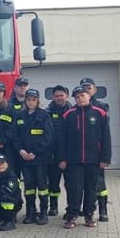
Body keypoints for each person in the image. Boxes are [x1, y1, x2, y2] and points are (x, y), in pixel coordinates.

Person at [57, 85, 111, 229]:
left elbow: (106, 137)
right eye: (77, 97)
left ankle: (89, 215)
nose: (80, 99)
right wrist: (61, 158)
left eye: (83, 96)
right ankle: (71, 215)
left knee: (91, 189)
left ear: (89, 96)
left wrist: (105, 159)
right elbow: (62, 139)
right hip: (73, 161)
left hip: (93, 160)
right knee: (74, 189)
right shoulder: (69, 115)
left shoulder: (100, 113)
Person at [14, 88, 53, 225]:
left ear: (38, 101)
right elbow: (15, 136)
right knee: (29, 187)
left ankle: (43, 213)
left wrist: (35, 152)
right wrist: (20, 151)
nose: (31, 102)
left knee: (42, 187)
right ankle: (30, 212)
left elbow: (48, 137)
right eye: (29, 99)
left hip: (40, 158)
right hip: (24, 159)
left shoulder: (44, 115)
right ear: (25, 100)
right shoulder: (19, 115)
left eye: (33, 100)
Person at [81, 77, 111, 221]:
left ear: (94, 89)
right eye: (84, 87)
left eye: (89, 87)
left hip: (96, 155)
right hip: (83, 156)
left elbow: (105, 134)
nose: (86, 90)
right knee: (86, 184)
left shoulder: (102, 107)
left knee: (100, 184)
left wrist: (105, 157)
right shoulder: (77, 107)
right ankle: (87, 209)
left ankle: (103, 209)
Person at [45, 85, 72, 217]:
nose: (59, 98)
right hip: (52, 155)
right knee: (53, 183)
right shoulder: (47, 112)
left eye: (61, 95)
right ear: (52, 97)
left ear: (66, 96)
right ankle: (53, 206)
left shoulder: (73, 111)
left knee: (71, 184)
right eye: (56, 96)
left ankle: (71, 208)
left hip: (70, 155)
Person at [0, 154, 23, 231]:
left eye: (2, 163)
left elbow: (8, 191)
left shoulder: (11, 176)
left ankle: (10, 221)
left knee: (5, 198)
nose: (0, 166)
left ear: (7, 164)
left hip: (13, 202)